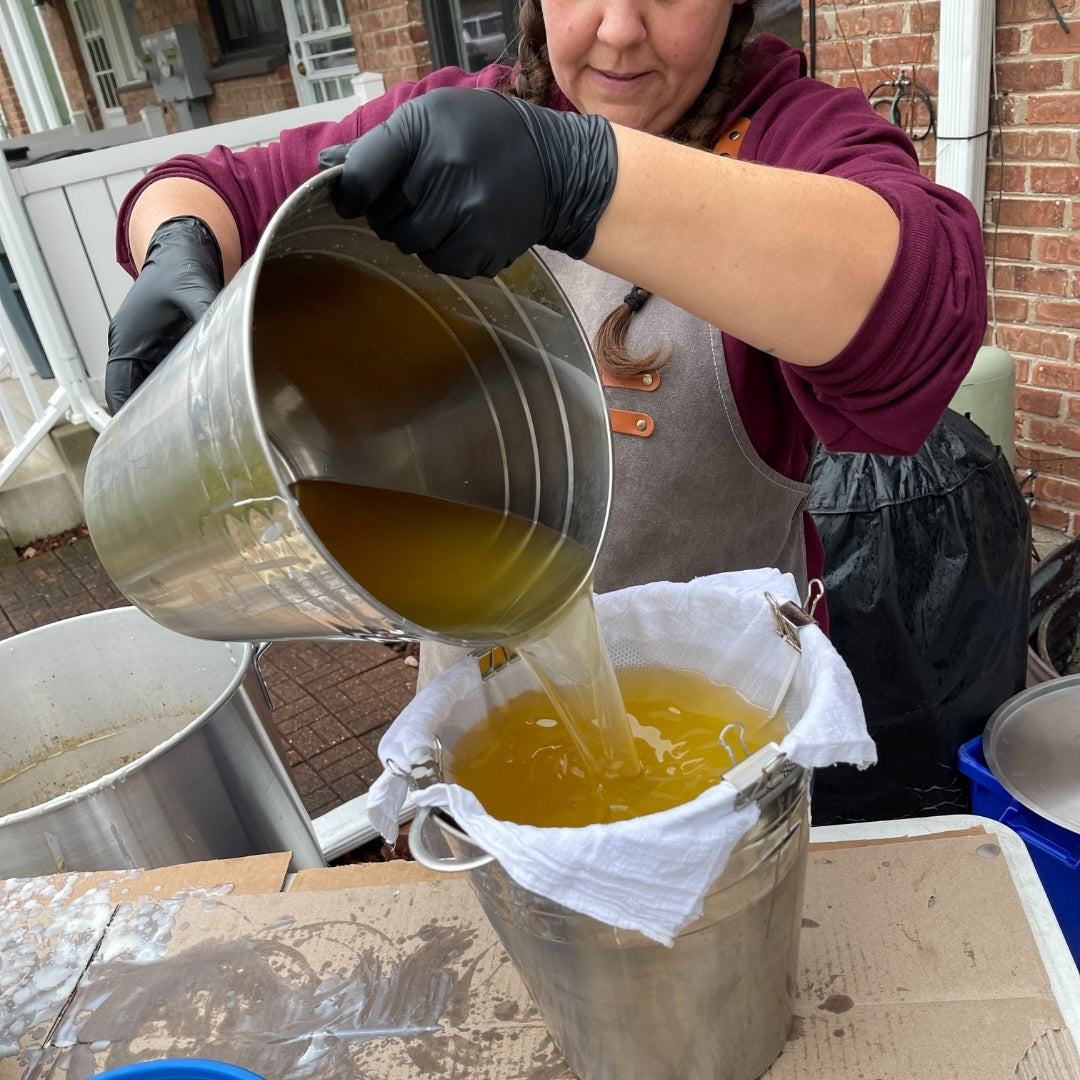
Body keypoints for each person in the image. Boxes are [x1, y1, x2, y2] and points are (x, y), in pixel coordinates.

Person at [105, 0, 986, 663]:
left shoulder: (792, 139)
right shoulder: (451, 123)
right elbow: (207, 183)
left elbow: (924, 307)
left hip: (731, 726)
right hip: (483, 727)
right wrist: (176, 246)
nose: (617, 30)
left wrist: (581, 178)